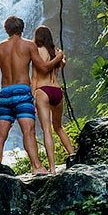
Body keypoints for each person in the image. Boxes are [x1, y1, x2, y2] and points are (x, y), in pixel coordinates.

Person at [0, 16, 64, 173]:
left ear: (6, 29)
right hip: (22, 92)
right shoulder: (29, 46)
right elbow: (44, 68)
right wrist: (58, 58)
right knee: (28, 131)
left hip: (5, 93)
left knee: (0, 135)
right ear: (22, 29)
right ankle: (37, 167)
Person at [31, 25, 74, 173]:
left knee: (47, 130)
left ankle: (52, 168)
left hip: (42, 91)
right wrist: (60, 56)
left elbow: (35, 77)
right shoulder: (56, 52)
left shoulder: (36, 51)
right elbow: (62, 64)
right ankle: (73, 156)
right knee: (58, 127)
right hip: (57, 90)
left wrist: (32, 98)